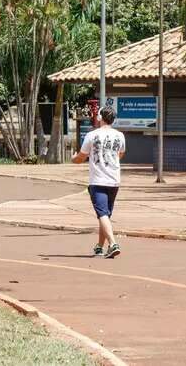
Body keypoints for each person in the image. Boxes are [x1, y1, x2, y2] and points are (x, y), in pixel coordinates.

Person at [72, 106, 125, 259]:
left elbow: (81, 157)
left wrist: (73, 158)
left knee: (102, 214)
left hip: (98, 180)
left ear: (100, 118)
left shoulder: (91, 135)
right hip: (114, 180)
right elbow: (120, 153)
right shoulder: (120, 136)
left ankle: (113, 243)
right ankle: (99, 247)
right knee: (105, 215)